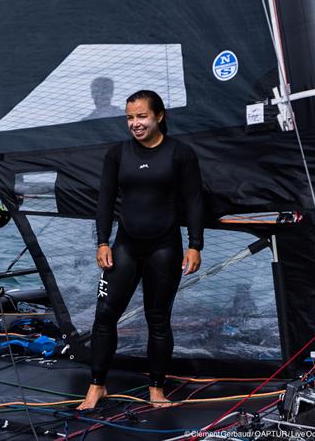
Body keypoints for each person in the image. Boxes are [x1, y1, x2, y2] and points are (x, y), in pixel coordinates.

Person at [78, 89, 203, 410]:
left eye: (142, 116)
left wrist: (195, 245)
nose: (135, 123)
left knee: (158, 318)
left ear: (159, 116)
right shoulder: (118, 154)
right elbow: (104, 201)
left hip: (165, 246)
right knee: (105, 316)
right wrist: (102, 241)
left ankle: (157, 389)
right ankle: (96, 386)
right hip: (125, 245)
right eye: (130, 117)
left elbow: (193, 200)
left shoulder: (180, 153)